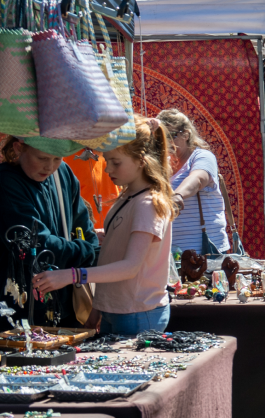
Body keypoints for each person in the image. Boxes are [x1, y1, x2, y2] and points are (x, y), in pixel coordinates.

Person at [33, 117, 177, 334]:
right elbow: (112, 256)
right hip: (119, 310)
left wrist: (72, 275)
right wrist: (99, 307)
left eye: (115, 162)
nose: (108, 169)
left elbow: (130, 267)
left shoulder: (147, 204)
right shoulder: (127, 197)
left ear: (141, 161)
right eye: (107, 160)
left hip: (137, 312)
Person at [0, 136, 99, 327]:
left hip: (67, 303)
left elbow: (84, 229)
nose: (50, 167)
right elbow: (36, 245)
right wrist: (86, 252)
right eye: (42, 158)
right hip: (20, 308)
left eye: (57, 158)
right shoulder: (6, 181)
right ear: (19, 148)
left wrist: (88, 250)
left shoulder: (63, 172)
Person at [158, 109, 229, 255]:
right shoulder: (164, 163)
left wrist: (177, 196)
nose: (166, 142)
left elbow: (197, 179)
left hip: (205, 252)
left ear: (186, 134)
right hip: (173, 253)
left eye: (171, 135)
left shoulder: (202, 156)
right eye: (161, 137)